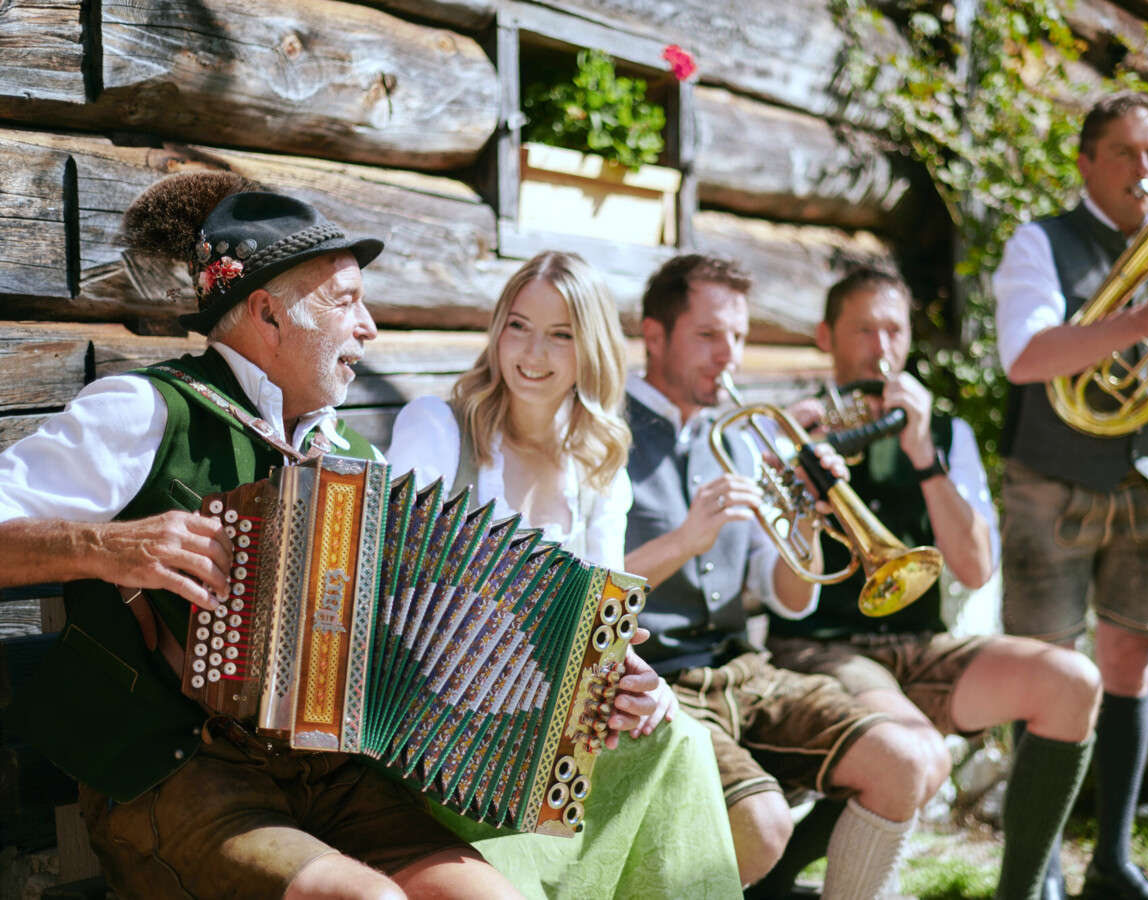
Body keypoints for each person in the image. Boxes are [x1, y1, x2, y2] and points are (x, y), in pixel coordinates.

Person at [0, 174, 655, 900]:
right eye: (346, 301)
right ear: (268, 315)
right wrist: (108, 547)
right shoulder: (145, 412)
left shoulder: (354, 464)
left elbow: (425, 647)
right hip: (177, 776)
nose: (369, 328)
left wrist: (591, 687)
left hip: (335, 777)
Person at [386, 250, 744, 899]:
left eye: (560, 334)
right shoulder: (439, 428)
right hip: (436, 740)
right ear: (497, 329)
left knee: (678, 738)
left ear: (592, 348)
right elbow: (388, 592)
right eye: (518, 325)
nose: (532, 352)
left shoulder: (597, 459)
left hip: (545, 728)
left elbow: (600, 626)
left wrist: (637, 682)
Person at [624, 252, 965, 899]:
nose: (729, 355)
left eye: (740, 337)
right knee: (764, 824)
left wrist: (805, 521)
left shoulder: (746, 439)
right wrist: (684, 540)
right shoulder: (605, 432)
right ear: (654, 335)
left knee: (910, 762)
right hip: (653, 681)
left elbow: (789, 595)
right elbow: (583, 583)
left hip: (740, 666)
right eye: (708, 335)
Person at [762, 267, 1101, 900]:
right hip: (821, 647)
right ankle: (774, 877)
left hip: (918, 644)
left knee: (1073, 682)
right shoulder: (787, 434)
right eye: (863, 329)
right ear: (825, 338)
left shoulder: (947, 437)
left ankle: (1021, 892)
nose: (881, 347)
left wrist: (924, 456)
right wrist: (800, 468)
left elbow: (974, 570)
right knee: (910, 747)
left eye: (894, 329)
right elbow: (777, 588)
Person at [993, 92, 1148, 900]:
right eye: (1124, 153)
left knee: (1131, 664)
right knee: (1044, 672)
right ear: (1085, 162)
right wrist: (1146, 318)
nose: (1145, 171)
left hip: (1147, 481)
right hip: (1051, 481)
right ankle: (1040, 863)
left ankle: (1110, 862)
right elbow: (1026, 357)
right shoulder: (1038, 243)